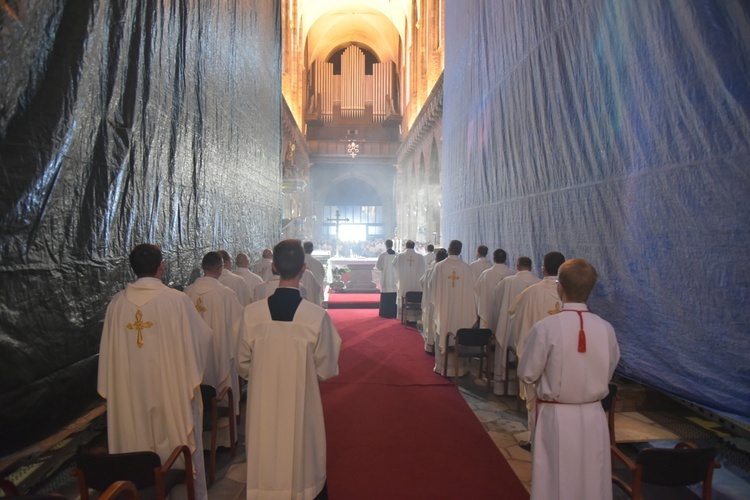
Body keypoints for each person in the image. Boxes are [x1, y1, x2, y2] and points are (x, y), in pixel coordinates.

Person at [97, 244, 213, 500]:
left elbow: (107, 360)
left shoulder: (116, 306)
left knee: (134, 447)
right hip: (170, 394)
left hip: (130, 397)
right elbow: (202, 340)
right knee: (176, 442)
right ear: (161, 266)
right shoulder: (177, 301)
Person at [237, 239, 341, 500]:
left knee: (266, 459)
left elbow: (242, 364)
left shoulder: (252, 315)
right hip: (301, 403)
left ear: (273, 267)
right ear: (304, 268)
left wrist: (265, 375)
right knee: (301, 460)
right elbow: (326, 368)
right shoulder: (316, 317)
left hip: (263, 404)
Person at [518, 258, 620, 500]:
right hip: (593, 416)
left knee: (556, 480)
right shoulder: (606, 328)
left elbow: (527, 373)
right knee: (591, 478)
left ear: (559, 287)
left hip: (557, 417)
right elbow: (609, 369)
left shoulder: (546, 328)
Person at [509, 251, 565, 444]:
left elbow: (516, 318)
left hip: (539, 360)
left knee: (536, 401)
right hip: (564, 360)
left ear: (543, 268)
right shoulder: (571, 294)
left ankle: (536, 441)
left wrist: (523, 350)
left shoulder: (532, 292)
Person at [184, 251, 244, 422]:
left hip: (195, 356)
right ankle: (225, 435)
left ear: (203, 268)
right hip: (220, 352)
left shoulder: (187, 292)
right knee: (222, 388)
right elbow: (239, 325)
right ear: (220, 269)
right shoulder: (225, 294)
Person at [491, 256, 540, 395]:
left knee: (506, 348)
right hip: (528, 328)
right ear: (531, 268)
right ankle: (524, 390)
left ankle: (501, 388)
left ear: (517, 266)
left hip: (509, 326)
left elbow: (497, 301)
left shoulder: (507, 282)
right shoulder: (539, 283)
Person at [430, 240, 477, 376]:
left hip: (444, 308)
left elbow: (432, 287)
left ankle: (442, 367)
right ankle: (459, 368)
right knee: (459, 331)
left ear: (449, 249)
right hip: (462, 310)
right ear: (460, 250)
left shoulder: (439, 267)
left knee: (444, 329)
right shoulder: (467, 268)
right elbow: (471, 292)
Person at [475, 248, 515, 330]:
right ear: (505, 259)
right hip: (506, 311)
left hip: (488, 310)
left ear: (493, 259)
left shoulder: (486, 274)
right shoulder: (513, 274)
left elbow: (477, 289)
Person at [420, 247, 447, 354]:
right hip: (445, 303)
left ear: (436, 259)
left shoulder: (430, 271)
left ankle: (431, 344)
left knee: (432, 323)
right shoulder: (447, 272)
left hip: (432, 302)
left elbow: (422, 283)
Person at [394, 240, 426, 323]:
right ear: (414, 246)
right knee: (416, 298)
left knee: (404, 295)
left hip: (404, 282)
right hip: (417, 283)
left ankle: (404, 318)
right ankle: (415, 318)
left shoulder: (400, 256)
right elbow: (423, 270)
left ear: (406, 246)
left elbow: (395, 267)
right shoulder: (420, 257)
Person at [376, 239, 398, 318]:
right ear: (392, 245)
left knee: (386, 295)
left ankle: (385, 313)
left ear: (386, 245)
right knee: (394, 294)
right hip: (394, 278)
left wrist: (384, 269)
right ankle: (393, 313)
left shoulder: (383, 255)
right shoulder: (397, 255)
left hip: (386, 277)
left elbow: (378, 266)